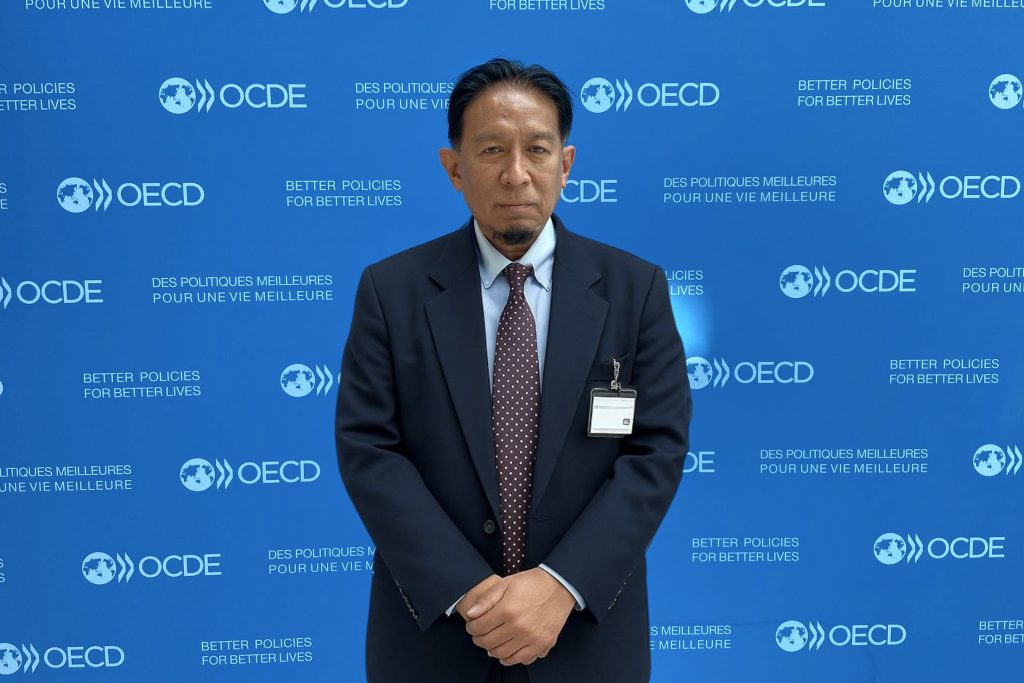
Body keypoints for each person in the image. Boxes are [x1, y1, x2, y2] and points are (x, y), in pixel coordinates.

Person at [335, 58, 692, 683]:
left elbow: (655, 451)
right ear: (454, 167)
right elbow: (370, 450)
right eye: (492, 149)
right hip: (437, 634)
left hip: (583, 636)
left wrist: (559, 585)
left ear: (566, 164)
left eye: (538, 149)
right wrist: (473, 594)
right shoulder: (392, 291)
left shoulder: (635, 290)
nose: (516, 173)